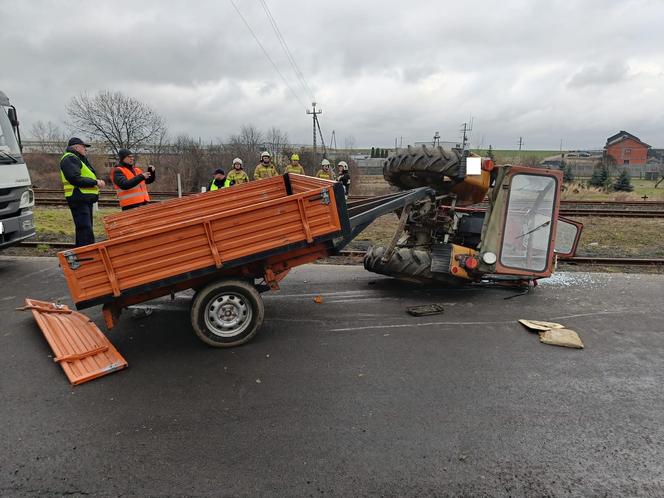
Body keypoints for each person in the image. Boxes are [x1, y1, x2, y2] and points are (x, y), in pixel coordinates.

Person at [59, 137, 105, 247]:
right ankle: (87, 256)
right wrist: (95, 182)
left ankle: (84, 254)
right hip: (78, 197)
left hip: (83, 198)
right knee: (85, 229)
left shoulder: (78, 159)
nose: (86, 149)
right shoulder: (70, 158)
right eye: (84, 147)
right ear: (76, 147)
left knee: (85, 229)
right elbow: (74, 178)